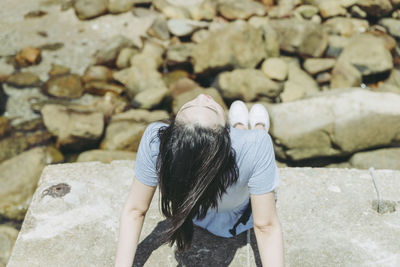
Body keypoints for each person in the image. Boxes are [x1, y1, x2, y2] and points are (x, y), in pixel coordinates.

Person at [114, 93, 284, 267]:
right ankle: (255, 127)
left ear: (171, 133)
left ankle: (241, 126)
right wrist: (260, 139)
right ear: (227, 135)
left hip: (194, 211)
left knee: (249, 145)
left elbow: (135, 211)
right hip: (238, 212)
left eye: (190, 105)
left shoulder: (155, 139)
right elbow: (266, 227)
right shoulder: (257, 145)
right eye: (210, 107)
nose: (202, 97)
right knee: (256, 143)